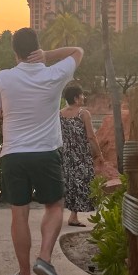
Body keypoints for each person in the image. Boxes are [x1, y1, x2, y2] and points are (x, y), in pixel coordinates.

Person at [0, 27, 84, 275]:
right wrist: (48, 55)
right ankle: (45, 259)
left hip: (13, 155)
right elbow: (78, 51)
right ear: (36, 48)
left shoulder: (4, 78)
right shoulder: (53, 74)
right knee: (55, 205)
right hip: (46, 153)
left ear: (14, 52)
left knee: (19, 213)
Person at [60, 82, 100, 227]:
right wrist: (99, 153)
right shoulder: (83, 113)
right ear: (76, 98)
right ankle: (73, 217)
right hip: (81, 154)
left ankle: (71, 214)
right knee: (82, 182)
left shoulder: (60, 114)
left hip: (66, 153)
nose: (84, 97)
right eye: (82, 95)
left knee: (70, 182)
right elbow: (91, 136)